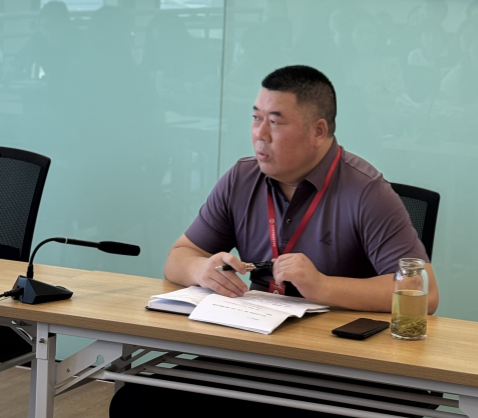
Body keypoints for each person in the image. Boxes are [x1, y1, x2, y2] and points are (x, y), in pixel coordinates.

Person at [110, 65, 439, 417]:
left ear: (318, 131)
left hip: (338, 363)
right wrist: (202, 270)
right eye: (256, 118)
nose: (259, 134)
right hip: (255, 349)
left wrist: (323, 287)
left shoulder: (366, 192)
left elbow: (425, 291)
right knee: (135, 402)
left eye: (275, 122)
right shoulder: (241, 178)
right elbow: (179, 257)